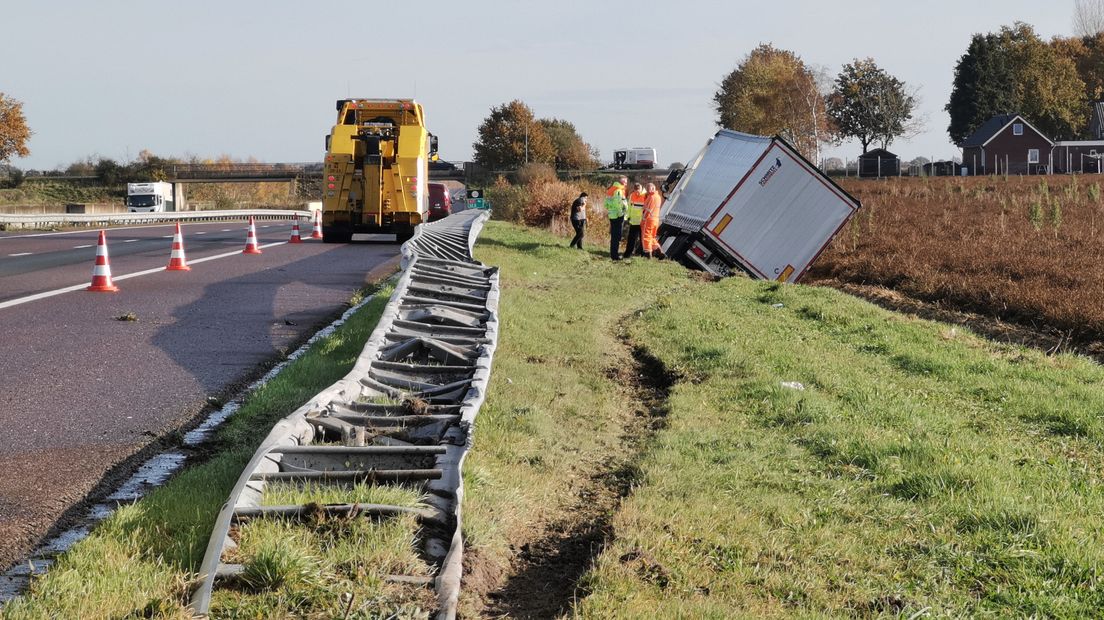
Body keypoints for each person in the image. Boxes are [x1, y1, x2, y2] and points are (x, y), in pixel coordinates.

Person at [604, 175, 628, 260]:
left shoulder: (611, 189)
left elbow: (605, 204)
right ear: (622, 182)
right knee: (617, 237)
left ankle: (613, 254)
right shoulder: (618, 190)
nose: (626, 183)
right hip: (618, 216)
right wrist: (621, 214)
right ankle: (615, 256)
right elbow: (618, 204)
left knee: (614, 236)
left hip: (612, 215)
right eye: (625, 182)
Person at [641, 182, 665, 259]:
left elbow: (648, 210)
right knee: (652, 237)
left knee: (646, 236)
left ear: (652, 188)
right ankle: (658, 250)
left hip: (649, 220)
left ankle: (648, 253)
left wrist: (643, 219)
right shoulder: (658, 197)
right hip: (656, 219)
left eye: (648, 189)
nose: (647, 191)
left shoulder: (651, 197)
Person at [624, 183, 646, 257]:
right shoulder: (632, 195)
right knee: (631, 239)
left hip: (642, 222)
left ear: (641, 188)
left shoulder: (645, 196)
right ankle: (628, 253)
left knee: (642, 239)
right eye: (635, 190)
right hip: (633, 221)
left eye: (638, 190)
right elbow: (629, 207)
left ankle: (643, 254)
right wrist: (627, 216)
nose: (637, 192)